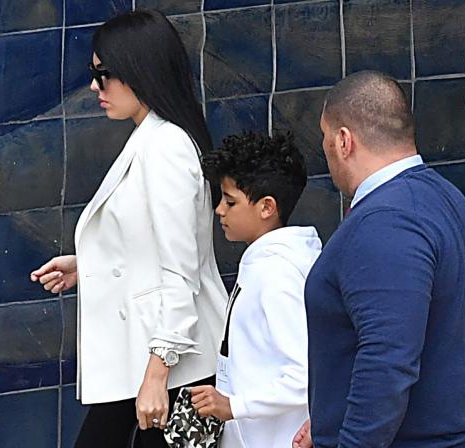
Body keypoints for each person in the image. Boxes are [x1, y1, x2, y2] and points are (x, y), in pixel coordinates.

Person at [29, 10, 227, 448]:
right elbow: (152, 247)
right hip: (148, 359)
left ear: (142, 69)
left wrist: (157, 375)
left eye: (106, 74)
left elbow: (181, 273)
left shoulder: (167, 146)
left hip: (170, 366)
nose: (96, 87)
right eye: (94, 74)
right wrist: (90, 264)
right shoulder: (151, 138)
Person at [295, 70, 465, 448]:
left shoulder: (386, 222)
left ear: (344, 141)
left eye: (325, 138)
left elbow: (386, 361)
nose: (325, 149)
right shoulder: (444, 196)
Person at [190, 131, 321, 448]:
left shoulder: (279, 275)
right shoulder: (265, 263)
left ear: (267, 207)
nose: (220, 210)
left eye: (230, 201)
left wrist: (233, 406)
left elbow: (304, 376)